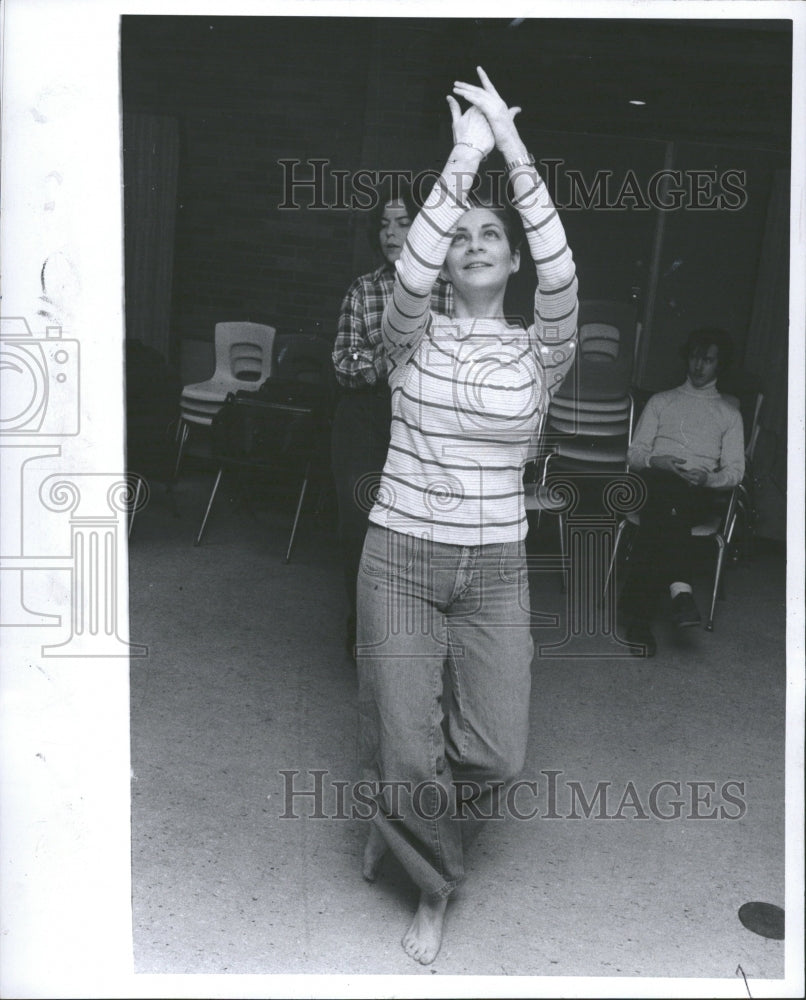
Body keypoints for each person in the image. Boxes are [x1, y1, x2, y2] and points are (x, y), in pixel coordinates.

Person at [355, 68, 578, 964]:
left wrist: (516, 151)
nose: (477, 242)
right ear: (445, 259)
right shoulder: (408, 334)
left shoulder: (542, 351)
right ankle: (433, 886)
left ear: (513, 259)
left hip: (495, 568)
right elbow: (410, 260)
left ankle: (404, 833)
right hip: (401, 555)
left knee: (496, 757)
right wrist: (465, 155)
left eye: (495, 234)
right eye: (463, 235)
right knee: (409, 752)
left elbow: (565, 269)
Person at [331, 182, 453, 658]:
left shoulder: (451, 289)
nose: (390, 233)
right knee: (361, 524)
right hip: (367, 414)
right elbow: (344, 363)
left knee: (427, 523)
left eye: (402, 222)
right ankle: (362, 626)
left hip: (432, 418)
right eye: (383, 224)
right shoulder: (364, 289)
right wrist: (393, 359)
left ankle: (418, 633)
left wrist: (387, 353)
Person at [619, 328, 745, 655]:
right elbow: (633, 455)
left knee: (663, 514)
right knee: (664, 494)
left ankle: (638, 619)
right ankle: (681, 591)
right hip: (656, 482)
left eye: (708, 360)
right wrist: (656, 460)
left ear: (720, 365)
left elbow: (735, 471)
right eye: (694, 357)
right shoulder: (662, 401)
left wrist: (707, 479)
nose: (698, 366)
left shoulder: (729, 414)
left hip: (697, 493)